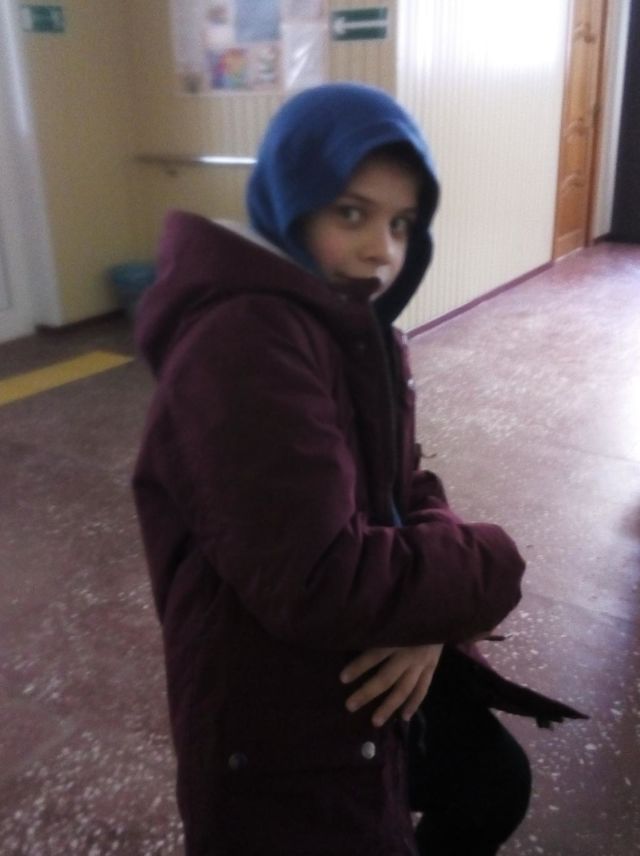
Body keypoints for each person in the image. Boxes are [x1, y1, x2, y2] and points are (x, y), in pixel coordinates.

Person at [133, 83, 583, 856]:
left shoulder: (349, 326)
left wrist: (433, 617)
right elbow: (321, 579)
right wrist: (485, 569)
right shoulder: (243, 343)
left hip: (364, 656)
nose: (383, 248)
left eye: (401, 223)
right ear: (291, 203)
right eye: (352, 213)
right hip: (277, 712)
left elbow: (407, 486)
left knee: (491, 783)